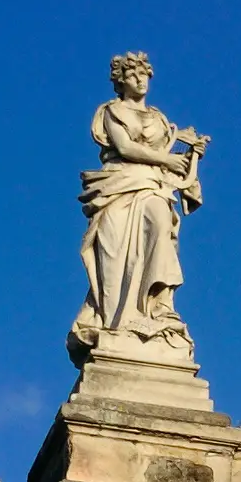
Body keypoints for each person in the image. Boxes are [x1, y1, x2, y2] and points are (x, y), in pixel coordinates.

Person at [73, 53, 209, 367]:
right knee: (116, 258)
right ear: (121, 81)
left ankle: (158, 310)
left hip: (151, 187)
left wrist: (190, 155)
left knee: (160, 226)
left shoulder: (160, 119)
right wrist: (168, 160)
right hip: (118, 187)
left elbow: (169, 156)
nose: (141, 80)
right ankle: (118, 322)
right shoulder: (112, 111)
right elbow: (125, 148)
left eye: (144, 74)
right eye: (133, 75)